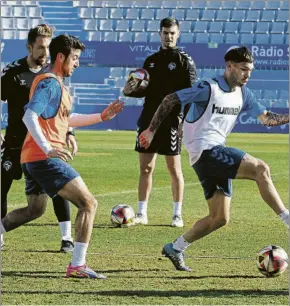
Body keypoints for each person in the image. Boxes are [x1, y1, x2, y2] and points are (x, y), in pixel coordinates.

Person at [139, 46, 289, 271]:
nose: (247, 75)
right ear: (229, 66)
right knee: (261, 169)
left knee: (219, 218)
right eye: (243, 69)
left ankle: (176, 247)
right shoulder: (207, 88)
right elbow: (171, 99)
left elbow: (267, 119)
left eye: (250, 70)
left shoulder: (243, 93)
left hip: (210, 156)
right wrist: (151, 130)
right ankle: (287, 219)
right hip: (206, 152)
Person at [0, 34, 124, 279]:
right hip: (44, 158)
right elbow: (29, 116)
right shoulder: (50, 84)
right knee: (89, 204)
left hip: (33, 158)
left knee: (35, 210)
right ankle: (77, 265)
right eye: (75, 58)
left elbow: (65, 120)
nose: (77, 63)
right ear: (61, 57)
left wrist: (101, 117)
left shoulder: (56, 84)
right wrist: (47, 148)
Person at [1, 24, 78, 253]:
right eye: (41, 47)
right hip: (15, 141)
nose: (45, 52)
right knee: (2, 185)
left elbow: (61, 108)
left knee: (58, 185)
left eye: (48, 47)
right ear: (29, 46)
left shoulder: (52, 74)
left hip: (44, 143)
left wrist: (69, 132)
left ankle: (66, 238)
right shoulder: (13, 72)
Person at [123, 17, 197, 227]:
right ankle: (142, 213)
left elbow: (192, 94)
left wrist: (185, 122)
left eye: (172, 33)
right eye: (165, 33)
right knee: (146, 168)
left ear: (178, 34)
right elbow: (143, 91)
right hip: (148, 119)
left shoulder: (185, 61)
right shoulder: (151, 61)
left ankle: (177, 214)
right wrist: (130, 90)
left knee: (174, 169)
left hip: (172, 120)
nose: (169, 37)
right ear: (160, 34)